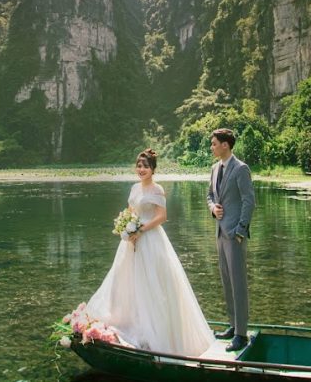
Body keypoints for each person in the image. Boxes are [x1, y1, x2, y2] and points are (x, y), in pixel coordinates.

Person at [82, 149, 214, 356]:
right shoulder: (134, 188)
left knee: (152, 284)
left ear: (153, 169)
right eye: (139, 166)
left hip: (151, 240)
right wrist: (125, 226)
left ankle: (156, 333)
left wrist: (140, 230)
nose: (141, 169)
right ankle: (131, 323)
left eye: (145, 166)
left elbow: (162, 216)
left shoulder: (157, 189)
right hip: (131, 240)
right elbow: (130, 211)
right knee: (126, 282)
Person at [207, 128, 255, 352]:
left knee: (238, 285)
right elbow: (210, 196)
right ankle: (233, 325)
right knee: (227, 283)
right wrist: (212, 208)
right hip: (219, 233)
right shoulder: (215, 168)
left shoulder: (241, 168)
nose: (212, 147)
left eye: (214, 143)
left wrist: (240, 231)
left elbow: (249, 201)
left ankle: (241, 335)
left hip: (234, 235)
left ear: (225, 145)